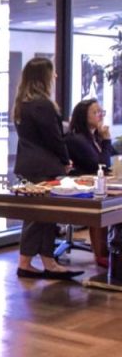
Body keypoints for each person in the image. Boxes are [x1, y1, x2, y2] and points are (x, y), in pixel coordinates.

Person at [12, 57, 82, 279]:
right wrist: (66, 160)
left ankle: (44, 261)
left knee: (39, 215)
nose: (56, 76)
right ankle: (31, 263)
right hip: (44, 166)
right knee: (41, 215)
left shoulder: (22, 104)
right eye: (52, 72)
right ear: (43, 77)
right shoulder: (43, 105)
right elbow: (54, 138)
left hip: (28, 164)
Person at [66, 98, 117, 267]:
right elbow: (101, 164)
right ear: (83, 116)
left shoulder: (95, 137)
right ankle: (101, 253)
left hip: (98, 184)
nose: (100, 115)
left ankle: (111, 248)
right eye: (95, 112)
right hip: (82, 188)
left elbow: (112, 157)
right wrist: (107, 140)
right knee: (105, 203)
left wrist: (106, 141)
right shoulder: (77, 139)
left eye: (101, 112)